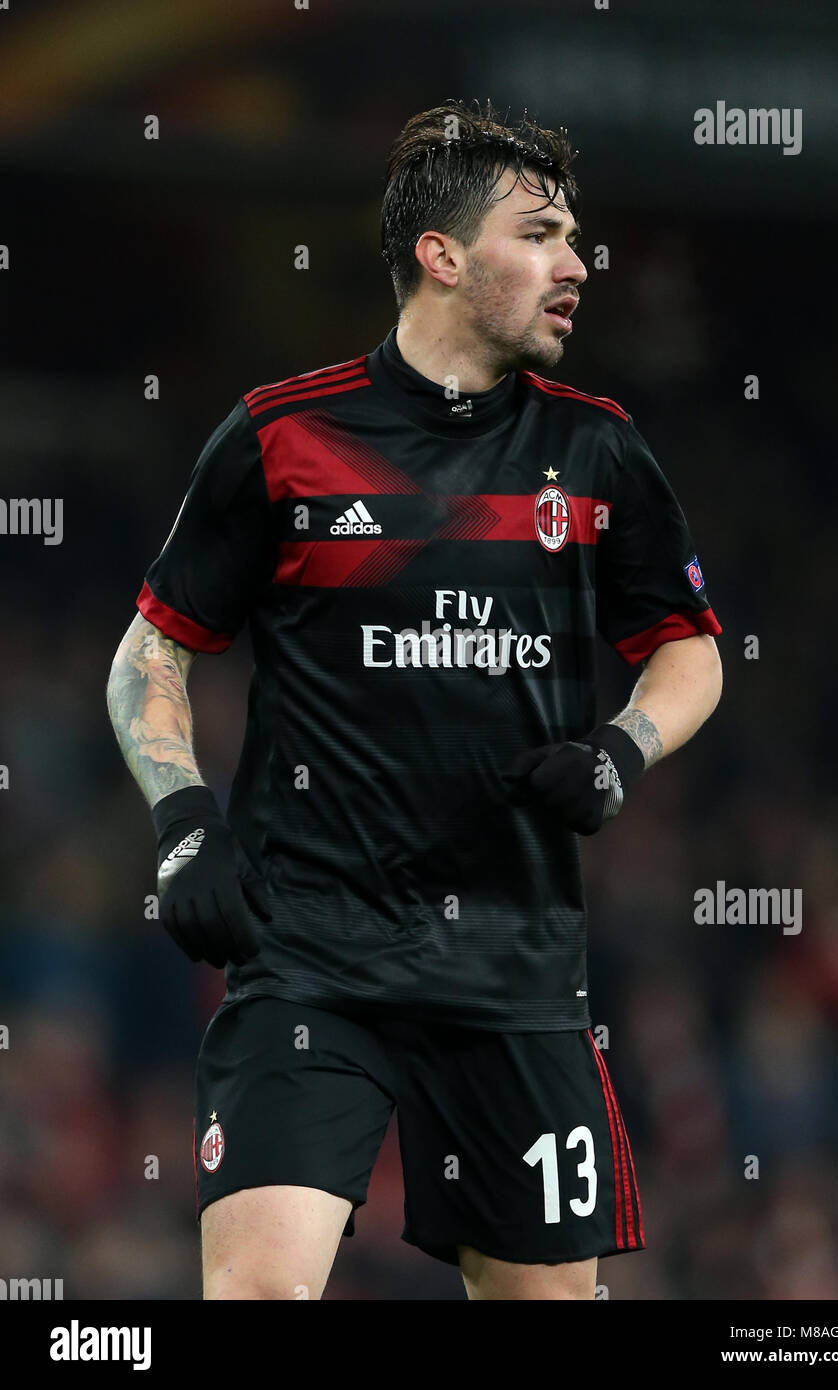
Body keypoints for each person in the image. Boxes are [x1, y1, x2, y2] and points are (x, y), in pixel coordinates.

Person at [106, 98, 723, 1301]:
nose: (577, 263)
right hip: (312, 958)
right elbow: (151, 652)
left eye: (576, 236)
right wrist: (183, 818)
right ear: (442, 257)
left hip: (515, 969)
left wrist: (621, 750)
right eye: (541, 233)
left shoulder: (598, 452)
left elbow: (693, 651)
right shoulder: (282, 439)